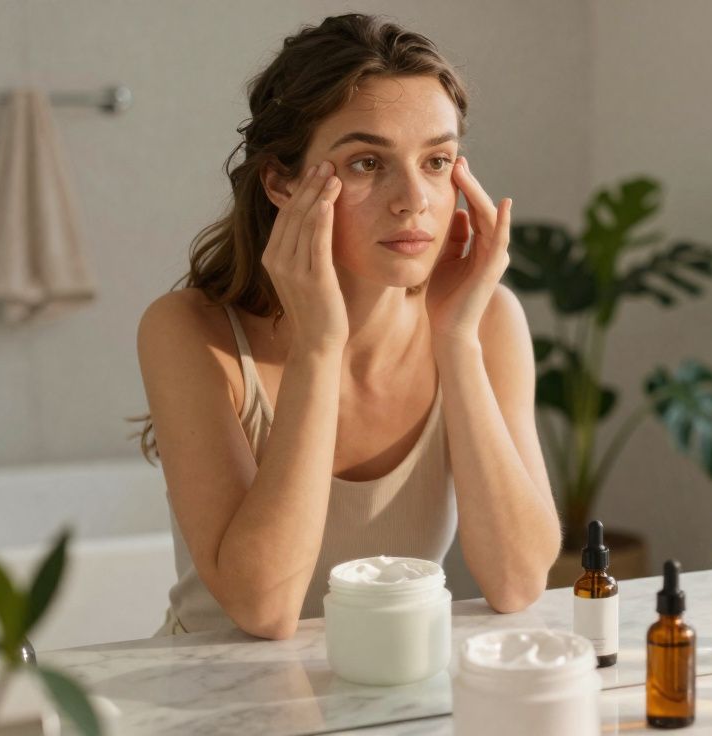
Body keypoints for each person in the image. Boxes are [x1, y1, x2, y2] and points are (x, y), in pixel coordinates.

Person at [135, 14, 560, 639]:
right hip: (214, 701)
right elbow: (264, 611)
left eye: (437, 161)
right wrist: (317, 345)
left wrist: (456, 343)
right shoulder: (190, 332)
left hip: (392, 689)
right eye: (367, 162)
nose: (413, 197)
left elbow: (518, 582)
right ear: (281, 181)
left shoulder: (487, 321)